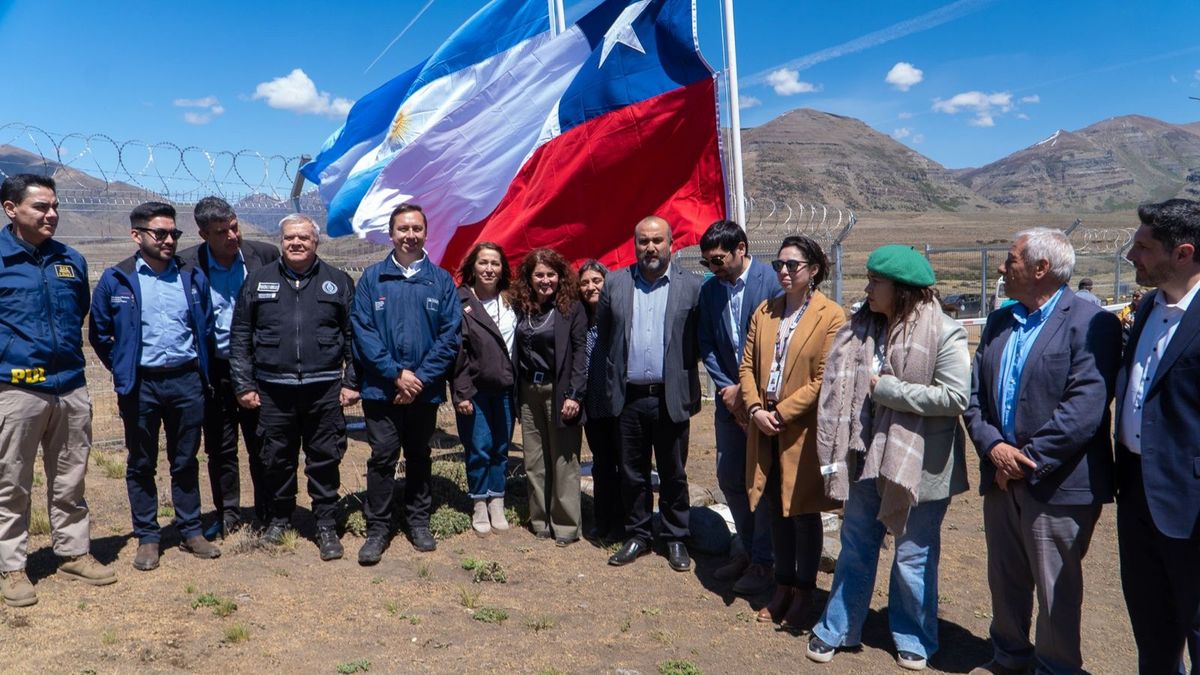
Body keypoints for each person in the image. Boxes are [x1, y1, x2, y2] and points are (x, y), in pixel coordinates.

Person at [963, 228, 1121, 675]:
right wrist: (993, 446)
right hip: (1000, 477)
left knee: (1056, 590)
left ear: (1040, 269)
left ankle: (1055, 668)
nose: (1000, 267)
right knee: (1006, 579)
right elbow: (974, 398)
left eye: (1009, 259)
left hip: (1058, 483)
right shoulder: (999, 322)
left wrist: (1022, 461)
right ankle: (1008, 658)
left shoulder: (1092, 324)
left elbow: (1084, 409)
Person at [807, 245, 970, 670]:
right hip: (863, 458)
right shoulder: (860, 328)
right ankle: (838, 628)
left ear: (902, 290)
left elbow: (955, 397)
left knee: (913, 555)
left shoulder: (944, 332)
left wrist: (889, 390)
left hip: (919, 467)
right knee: (856, 545)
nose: (867, 288)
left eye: (876, 281)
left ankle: (913, 634)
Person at [0, 174, 116, 607]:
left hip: (69, 386)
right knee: (11, 481)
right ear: (11, 209)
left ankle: (72, 552)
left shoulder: (70, 259)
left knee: (70, 477)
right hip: (16, 389)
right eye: (40, 207)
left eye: (54, 207)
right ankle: (12, 567)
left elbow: (79, 311)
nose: (51, 215)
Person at [90, 201, 223, 571]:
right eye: (160, 233)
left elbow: (206, 328)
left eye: (174, 233)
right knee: (141, 461)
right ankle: (148, 536)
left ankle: (191, 529)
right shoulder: (117, 279)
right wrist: (123, 369)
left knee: (185, 459)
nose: (168, 240)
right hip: (141, 385)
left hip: (185, 381)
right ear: (137, 235)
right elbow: (100, 333)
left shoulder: (191, 276)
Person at [229, 214, 358, 561]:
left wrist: (351, 382)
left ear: (316, 242)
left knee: (325, 458)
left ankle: (326, 524)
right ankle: (281, 518)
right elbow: (240, 335)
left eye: (303, 237)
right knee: (276, 459)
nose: (296, 243)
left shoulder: (338, 281)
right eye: (289, 238)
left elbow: (352, 337)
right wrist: (243, 383)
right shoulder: (257, 281)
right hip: (273, 390)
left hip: (324, 390)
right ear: (281, 241)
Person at [737, 235, 845, 628]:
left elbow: (825, 378)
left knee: (802, 512)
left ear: (812, 270)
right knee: (774, 509)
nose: (783, 271)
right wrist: (753, 408)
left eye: (792, 265)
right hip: (763, 425)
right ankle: (781, 585)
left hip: (801, 428)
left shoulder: (831, 316)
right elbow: (747, 365)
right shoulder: (766, 311)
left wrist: (780, 413)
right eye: (779, 264)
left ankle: (804, 592)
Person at [589, 216, 703, 572]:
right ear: (634, 244)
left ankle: (675, 538)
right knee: (632, 472)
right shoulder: (616, 283)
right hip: (629, 398)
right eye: (643, 241)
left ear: (671, 243)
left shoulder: (692, 287)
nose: (650, 247)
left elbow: (698, 340)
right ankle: (637, 533)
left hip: (671, 397)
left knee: (673, 472)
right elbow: (607, 338)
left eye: (657, 240)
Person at [1116, 199, 1200, 674]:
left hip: (1191, 503)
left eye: (1144, 247)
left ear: (1183, 253)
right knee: (1152, 628)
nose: (1132, 255)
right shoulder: (1147, 307)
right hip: (1136, 492)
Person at [352, 203, 460, 564]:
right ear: (391, 233)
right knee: (382, 456)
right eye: (403, 229)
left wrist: (420, 378)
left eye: (416, 229)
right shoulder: (372, 278)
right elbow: (363, 333)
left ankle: (418, 521)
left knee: (419, 455)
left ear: (426, 233)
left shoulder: (441, 281)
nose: (409, 236)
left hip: (424, 391)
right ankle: (378, 527)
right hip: (381, 390)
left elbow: (449, 336)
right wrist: (396, 374)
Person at [179, 196, 280, 538]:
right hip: (214, 370)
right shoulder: (188, 265)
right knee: (220, 448)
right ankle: (229, 514)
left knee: (262, 443)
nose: (232, 236)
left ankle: (268, 512)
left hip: (258, 369)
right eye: (222, 231)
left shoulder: (264, 256)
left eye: (235, 227)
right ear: (204, 233)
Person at [697, 219, 779, 596]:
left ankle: (766, 561)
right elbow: (708, 343)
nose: (713, 269)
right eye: (707, 263)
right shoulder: (711, 291)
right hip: (730, 402)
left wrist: (751, 398)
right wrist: (728, 390)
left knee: (760, 482)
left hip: (765, 404)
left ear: (741, 249)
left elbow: (780, 346)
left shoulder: (772, 283)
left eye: (718, 260)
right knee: (729, 475)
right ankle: (747, 549)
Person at [511, 248, 588, 546]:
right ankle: (540, 520)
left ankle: (566, 525)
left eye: (551, 274)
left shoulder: (571, 308)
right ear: (529, 279)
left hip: (561, 393)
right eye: (539, 275)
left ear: (560, 276)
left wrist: (574, 394)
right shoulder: (523, 308)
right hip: (528, 391)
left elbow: (581, 353)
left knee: (564, 460)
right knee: (534, 460)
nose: (545, 280)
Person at [451, 242, 517, 537]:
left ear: (503, 268)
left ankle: (497, 499)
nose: (489, 268)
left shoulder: (513, 301)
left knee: (501, 447)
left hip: (506, 389)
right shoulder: (460, 300)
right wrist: (461, 392)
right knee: (478, 447)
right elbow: (455, 352)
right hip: (475, 391)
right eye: (483, 263)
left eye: (495, 263)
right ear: (473, 267)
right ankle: (479, 501)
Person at [579, 259, 624, 544]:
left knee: (626, 464)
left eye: (596, 281)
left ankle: (626, 523)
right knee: (602, 465)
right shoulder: (580, 320)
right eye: (584, 282)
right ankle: (603, 520)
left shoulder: (618, 316)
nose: (591, 286)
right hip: (593, 407)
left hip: (619, 405)